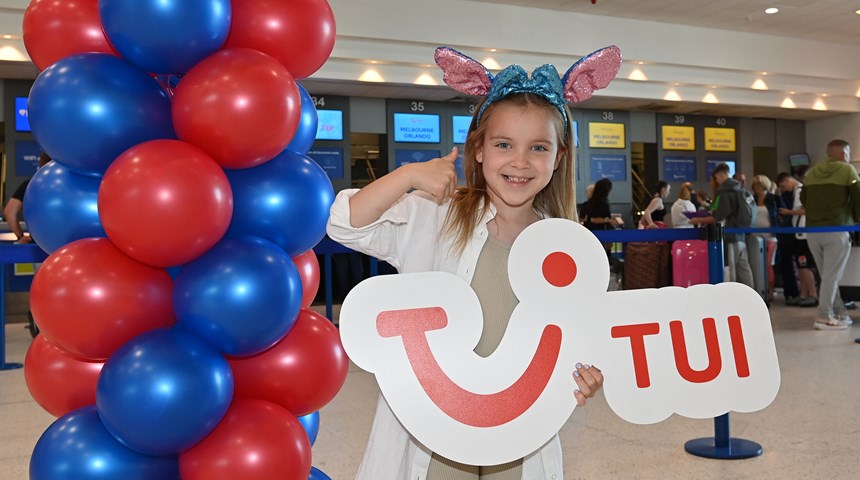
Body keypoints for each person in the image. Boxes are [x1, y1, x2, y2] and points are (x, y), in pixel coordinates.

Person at [328, 48, 617, 480]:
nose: (520, 162)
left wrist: (587, 376)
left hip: (520, 431)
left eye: (538, 147)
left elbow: (579, 339)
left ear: (558, 158)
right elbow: (343, 224)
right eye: (504, 144)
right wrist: (407, 177)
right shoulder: (437, 215)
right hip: (434, 426)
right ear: (478, 149)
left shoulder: (566, 249)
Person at [800, 139, 860, 330]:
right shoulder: (847, 170)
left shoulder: (812, 173)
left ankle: (840, 312)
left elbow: (803, 197)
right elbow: (857, 195)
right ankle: (824, 316)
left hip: (813, 231)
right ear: (844, 154)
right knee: (831, 277)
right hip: (837, 228)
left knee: (826, 276)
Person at [692, 163, 754, 288]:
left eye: (716, 178)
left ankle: (729, 301)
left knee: (730, 269)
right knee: (744, 268)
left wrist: (697, 219)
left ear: (721, 175)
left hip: (729, 236)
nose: (717, 181)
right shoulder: (739, 188)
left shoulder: (725, 190)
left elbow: (720, 216)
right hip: (740, 235)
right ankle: (753, 298)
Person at [776, 173, 818, 307]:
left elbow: (806, 210)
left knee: (805, 265)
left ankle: (813, 294)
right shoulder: (797, 191)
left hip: (803, 234)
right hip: (798, 233)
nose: (784, 189)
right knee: (800, 265)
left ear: (788, 180)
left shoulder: (800, 190)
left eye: (783, 186)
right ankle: (804, 294)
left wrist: (788, 212)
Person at [3, 153, 51, 244]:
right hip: (69, 242)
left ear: (41, 164)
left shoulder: (31, 184)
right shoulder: (72, 185)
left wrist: (20, 236)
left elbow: (9, 211)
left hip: (39, 243)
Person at [750, 174, 779, 301]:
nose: (757, 188)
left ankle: (770, 289)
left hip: (770, 236)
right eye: (755, 185)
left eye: (759, 185)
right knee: (755, 263)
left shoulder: (773, 199)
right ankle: (758, 289)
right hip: (754, 236)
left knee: (768, 264)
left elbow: (781, 213)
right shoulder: (751, 199)